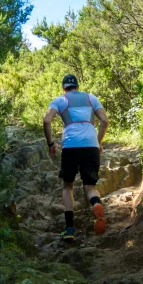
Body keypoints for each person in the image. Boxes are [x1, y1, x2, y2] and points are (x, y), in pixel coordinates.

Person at [43, 74, 109, 241]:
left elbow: (46, 120)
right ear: (77, 86)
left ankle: (69, 228)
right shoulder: (91, 97)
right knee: (90, 186)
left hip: (71, 146)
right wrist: (98, 141)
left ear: (64, 88)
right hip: (91, 146)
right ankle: (96, 204)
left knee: (68, 186)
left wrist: (51, 143)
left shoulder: (60, 100)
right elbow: (105, 120)